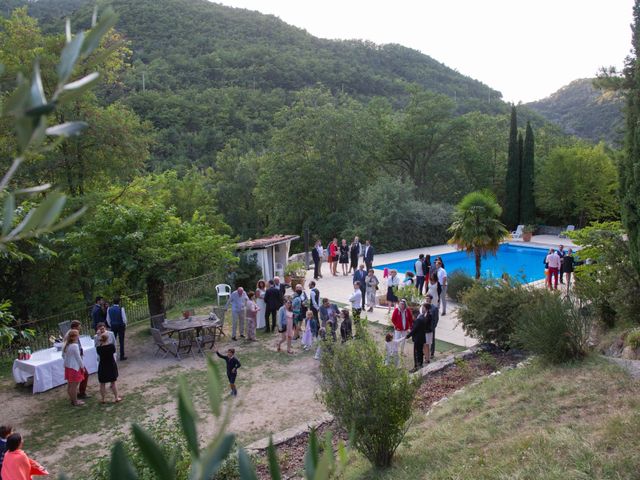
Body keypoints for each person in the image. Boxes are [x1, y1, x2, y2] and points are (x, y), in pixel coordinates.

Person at [62, 329, 85, 406]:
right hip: (74, 367)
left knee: (70, 385)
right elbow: (78, 358)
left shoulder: (67, 345)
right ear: (74, 337)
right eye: (77, 335)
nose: (78, 336)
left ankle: (72, 399)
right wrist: (82, 367)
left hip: (68, 367)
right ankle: (75, 401)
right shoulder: (74, 346)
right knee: (74, 386)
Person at [96, 333, 121, 404]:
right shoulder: (111, 346)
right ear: (107, 339)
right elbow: (114, 351)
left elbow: (99, 353)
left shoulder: (99, 348)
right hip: (111, 365)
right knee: (113, 382)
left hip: (103, 366)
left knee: (102, 383)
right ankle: (116, 397)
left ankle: (103, 399)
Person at [67, 320, 90, 399]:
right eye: (79, 326)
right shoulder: (71, 335)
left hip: (76, 360)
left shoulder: (73, 334)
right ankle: (80, 393)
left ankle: (75, 394)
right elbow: (75, 350)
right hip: (76, 362)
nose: (80, 328)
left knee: (75, 380)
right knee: (84, 375)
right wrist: (81, 365)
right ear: (75, 327)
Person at [406, 303, 428, 372]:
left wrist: (408, 335)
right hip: (422, 338)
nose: (412, 317)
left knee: (416, 353)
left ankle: (416, 366)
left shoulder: (418, 320)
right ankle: (420, 364)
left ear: (415, 314)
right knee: (420, 352)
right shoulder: (423, 317)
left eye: (413, 315)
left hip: (418, 339)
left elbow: (414, 330)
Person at [426, 293, 440, 358]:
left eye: (428, 299)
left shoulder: (434, 308)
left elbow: (436, 319)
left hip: (431, 327)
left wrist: (433, 327)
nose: (427, 300)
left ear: (431, 300)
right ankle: (425, 352)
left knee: (432, 340)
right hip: (424, 326)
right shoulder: (424, 306)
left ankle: (432, 353)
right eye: (426, 299)